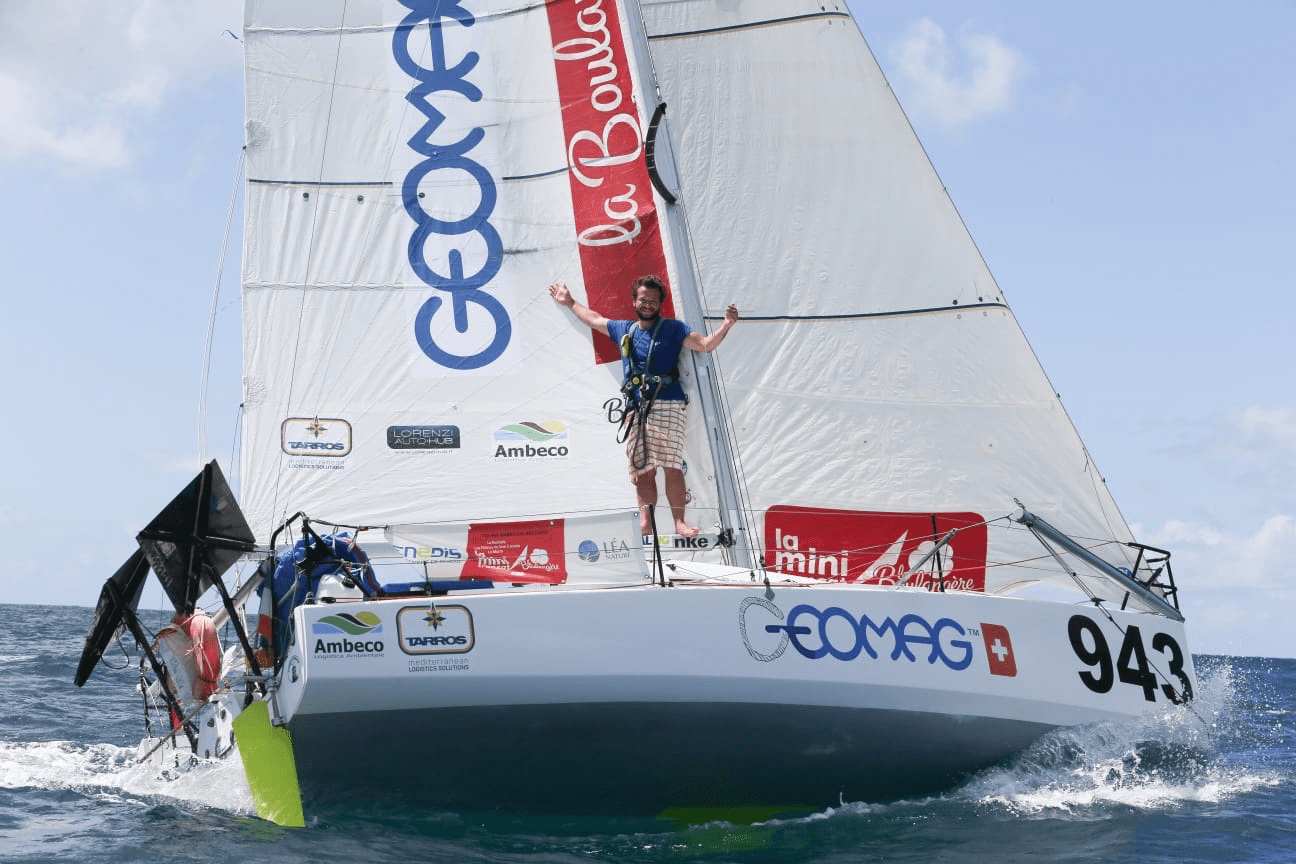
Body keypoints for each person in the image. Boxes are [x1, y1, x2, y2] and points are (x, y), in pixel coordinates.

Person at [549, 276, 738, 537]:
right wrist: (570, 302)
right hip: (636, 408)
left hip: (669, 403)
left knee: (672, 466)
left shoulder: (674, 328)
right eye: (643, 299)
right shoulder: (624, 329)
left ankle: (679, 523)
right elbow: (594, 319)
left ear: (660, 303)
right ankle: (646, 523)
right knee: (642, 470)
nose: (647, 304)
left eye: (653, 300)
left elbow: (704, 345)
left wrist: (726, 325)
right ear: (634, 301)